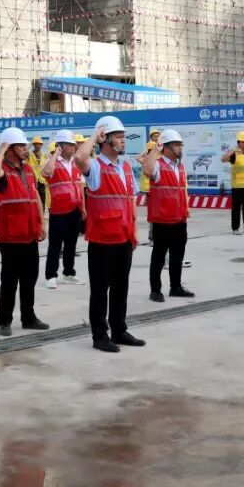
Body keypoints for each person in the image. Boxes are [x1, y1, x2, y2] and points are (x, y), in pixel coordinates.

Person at [75, 116, 145, 353]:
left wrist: (134, 231)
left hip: (124, 238)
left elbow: (130, 200)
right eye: (118, 137)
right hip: (102, 240)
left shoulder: (125, 168)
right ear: (105, 140)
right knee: (100, 291)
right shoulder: (95, 167)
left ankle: (119, 330)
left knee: (120, 288)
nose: (123, 141)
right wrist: (95, 135)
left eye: (124, 137)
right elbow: (79, 158)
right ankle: (99, 335)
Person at [0, 128, 50, 336]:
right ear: (10, 148)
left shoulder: (29, 169)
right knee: (9, 281)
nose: (26, 149)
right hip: (11, 236)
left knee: (30, 279)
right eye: (21, 146)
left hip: (30, 233)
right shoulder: (2, 170)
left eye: (25, 145)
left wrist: (42, 222)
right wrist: (1, 150)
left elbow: (36, 196)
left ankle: (28, 317)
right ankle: (5, 320)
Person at [143, 129, 195, 303]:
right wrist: (155, 150)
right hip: (162, 220)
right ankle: (155, 290)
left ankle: (176, 286)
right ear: (165, 147)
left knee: (177, 255)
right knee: (159, 256)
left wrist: (186, 209)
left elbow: (182, 190)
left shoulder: (180, 167)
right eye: (176, 145)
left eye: (181, 145)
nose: (180, 148)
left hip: (179, 219)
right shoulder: (158, 165)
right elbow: (147, 170)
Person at [41, 129, 85, 289]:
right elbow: (46, 172)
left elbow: (79, 185)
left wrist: (83, 206)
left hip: (75, 209)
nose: (74, 147)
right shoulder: (52, 162)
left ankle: (68, 272)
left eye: (74, 145)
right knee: (55, 244)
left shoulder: (75, 163)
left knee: (71, 244)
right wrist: (55, 154)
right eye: (71, 145)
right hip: (59, 210)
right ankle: (50, 276)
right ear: (62, 145)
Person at [222, 131, 244, 235]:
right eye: (243, 142)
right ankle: (235, 228)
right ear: (238, 142)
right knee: (236, 208)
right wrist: (232, 151)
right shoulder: (234, 154)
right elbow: (223, 159)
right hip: (238, 186)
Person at [136, 128, 162, 243]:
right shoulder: (146, 160)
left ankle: (156, 236)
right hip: (149, 189)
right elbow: (138, 158)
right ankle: (152, 237)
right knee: (153, 213)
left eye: (158, 136)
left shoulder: (162, 158)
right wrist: (147, 150)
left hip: (159, 189)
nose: (156, 138)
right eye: (154, 136)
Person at [28, 135, 48, 206]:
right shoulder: (29, 155)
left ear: (42, 145)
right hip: (32, 181)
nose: (38, 145)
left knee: (43, 200)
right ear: (33, 145)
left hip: (42, 181)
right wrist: (29, 144)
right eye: (36, 144)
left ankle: (42, 212)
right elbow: (23, 152)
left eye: (39, 144)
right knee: (33, 200)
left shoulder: (44, 156)